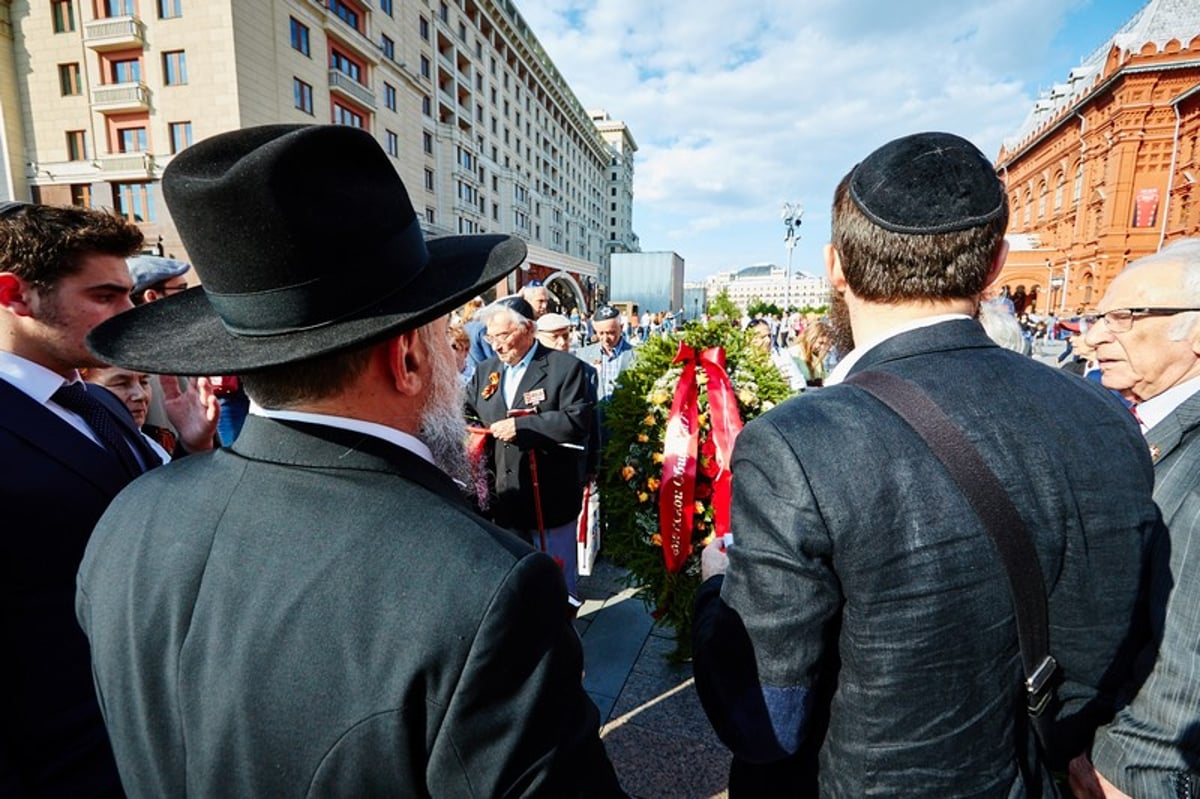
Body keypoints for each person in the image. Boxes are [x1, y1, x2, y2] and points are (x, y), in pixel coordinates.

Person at [76, 123, 622, 796]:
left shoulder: (129, 515)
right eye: (444, 341)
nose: (459, 359)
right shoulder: (486, 589)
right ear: (408, 358)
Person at [691, 132, 1161, 796]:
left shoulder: (797, 441)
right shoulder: (1105, 414)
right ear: (995, 263)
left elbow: (764, 718)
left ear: (835, 266)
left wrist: (715, 589)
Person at [0, 200, 146, 797]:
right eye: (105, 297)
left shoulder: (100, 402)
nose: (129, 314)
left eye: (128, 295)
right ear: (16, 295)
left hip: (144, 735)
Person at [1069, 238, 1200, 799]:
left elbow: (1188, 650)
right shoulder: (1145, 424)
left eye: (1124, 316)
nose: (1095, 336)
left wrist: (1130, 768)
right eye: (1099, 317)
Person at [464, 296, 593, 599]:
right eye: (490, 336)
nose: (496, 345)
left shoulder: (565, 367)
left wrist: (523, 428)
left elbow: (577, 420)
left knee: (557, 583)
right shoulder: (486, 370)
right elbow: (467, 411)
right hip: (504, 499)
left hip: (548, 497)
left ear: (529, 329)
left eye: (504, 335)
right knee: (516, 586)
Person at [577, 304, 636, 403]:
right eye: (601, 333)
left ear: (621, 328)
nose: (605, 339)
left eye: (610, 333)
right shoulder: (583, 355)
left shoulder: (636, 355)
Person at [746, 317, 807, 392]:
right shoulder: (744, 359)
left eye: (769, 336)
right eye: (762, 337)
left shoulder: (782, 354)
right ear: (749, 339)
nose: (768, 340)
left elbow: (798, 382)